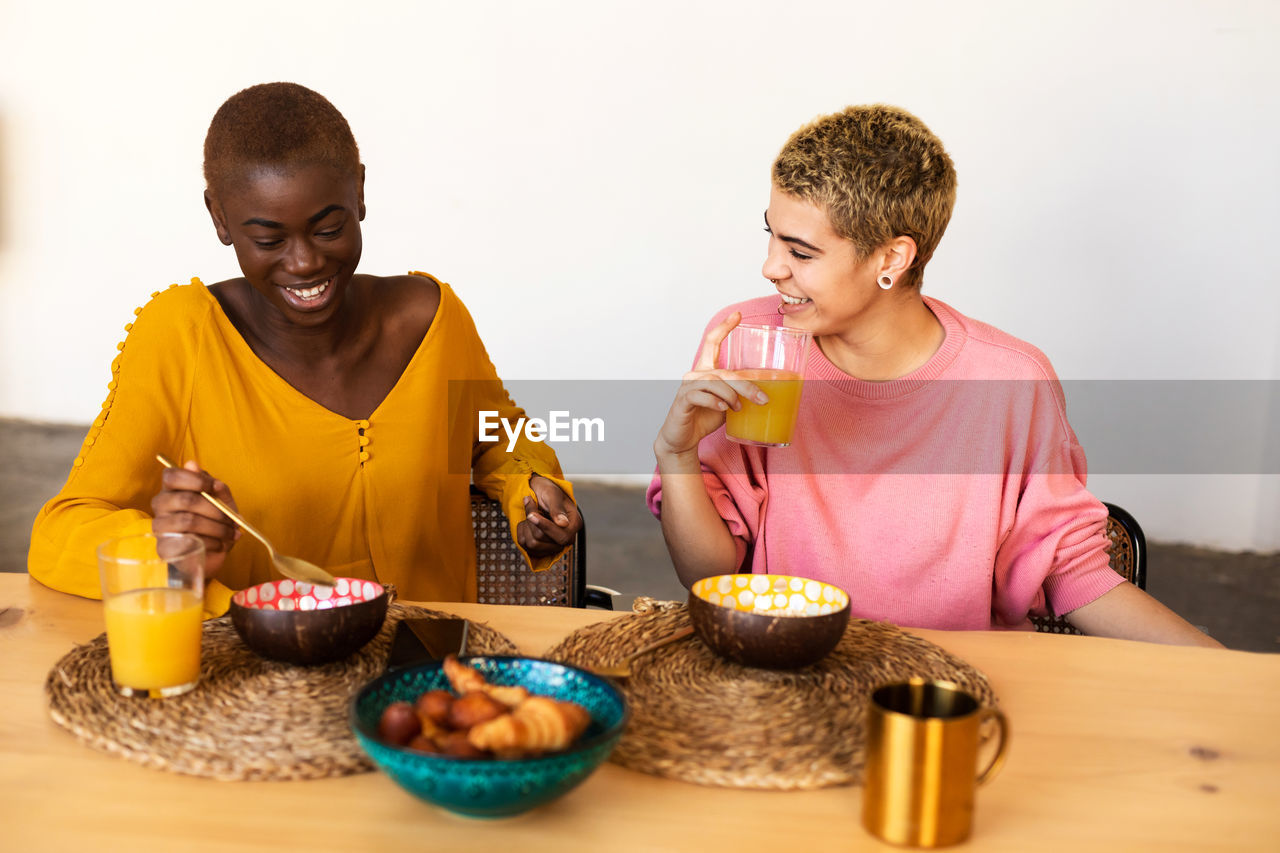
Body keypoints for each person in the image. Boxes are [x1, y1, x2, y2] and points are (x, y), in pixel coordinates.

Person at [648, 104, 1219, 647]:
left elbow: (1073, 573)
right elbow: (708, 574)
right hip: (790, 669)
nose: (771, 267)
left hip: (947, 691)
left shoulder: (1011, 380)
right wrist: (676, 458)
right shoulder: (747, 339)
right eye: (770, 234)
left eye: (801, 251)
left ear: (891, 259)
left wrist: (1240, 678)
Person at [29, 82, 582, 616]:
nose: (304, 263)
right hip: (252, 678)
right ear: (219, 219)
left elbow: (499, 438)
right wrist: (167, 552)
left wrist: (530, 494)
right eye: (269, 240)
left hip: (423, 676)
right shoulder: (183, 338)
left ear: (360, 193)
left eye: (327, 228)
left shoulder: (432, 319)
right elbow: (63, 530)